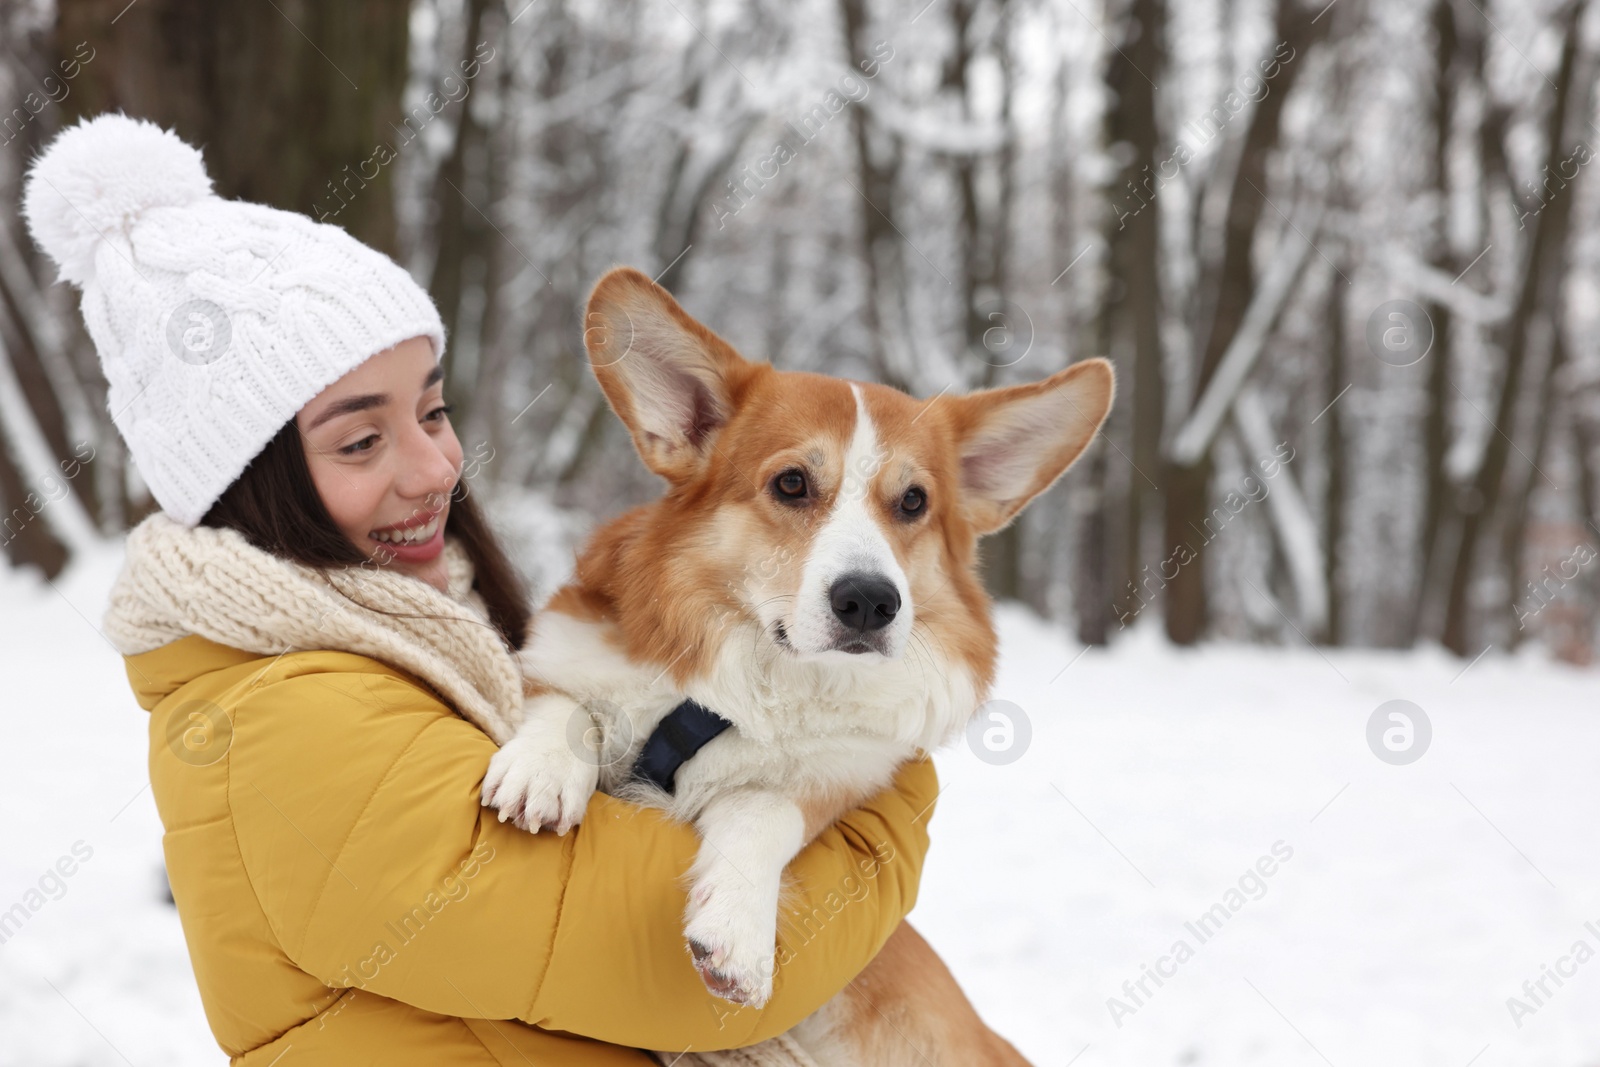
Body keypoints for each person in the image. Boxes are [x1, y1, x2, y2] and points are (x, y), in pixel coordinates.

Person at [23, 113, 938, 1066]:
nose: (436, 468)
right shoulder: (284, 724)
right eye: (361, 440)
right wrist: (883, 797)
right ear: (253, 484)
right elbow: (696, 973)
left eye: (433, 409)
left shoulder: (426, 644)